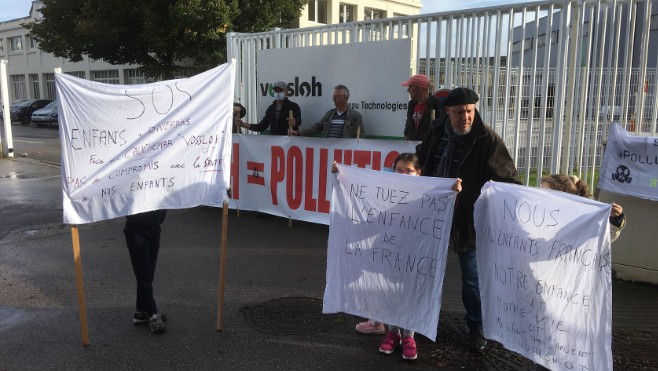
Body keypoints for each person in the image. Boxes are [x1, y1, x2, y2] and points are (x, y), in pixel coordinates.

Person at [415, 87, 520, 352]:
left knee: (472, 277)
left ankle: (477, 327)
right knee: (423, 270)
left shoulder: (487, 139)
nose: (466, 117)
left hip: (468, 221)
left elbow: (508, 180)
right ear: (448, 112)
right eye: (460, 112)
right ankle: (418, 320)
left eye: (470, 111)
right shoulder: (437, 131)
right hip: (434, 215)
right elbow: (423, 157)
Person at [332, 154, 462, 361]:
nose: (403, 174)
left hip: (415, 254)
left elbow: (443, 212)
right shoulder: (387, 190)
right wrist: (342, 176)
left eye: (408, 170)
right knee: (390, 292)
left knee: (409, 291)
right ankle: (393, 333)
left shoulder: (428, 193)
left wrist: (453, 192)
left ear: (418, 172)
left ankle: (409, 336)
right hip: (391, 251)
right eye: (399, 170)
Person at [540, 174, 626, 242]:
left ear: (563, 197)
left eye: (546, 193)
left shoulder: (580, 220)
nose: (540, 196)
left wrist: (616, 221)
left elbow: (603, 237)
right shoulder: (537, 214)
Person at [124, 209, 168, 333]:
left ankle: (141, 311)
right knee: (144, 274)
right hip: (137, 229)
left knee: (148, 273)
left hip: (154, 226)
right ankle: (152, 313)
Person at [288, 84, 364, 138]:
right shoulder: (329, 114)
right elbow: (316, 127)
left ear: (345, 98)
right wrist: (298, 133)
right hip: (330, 152)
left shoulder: (355, 116)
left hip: (345, 155)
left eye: (336, 96)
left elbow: (359, 138)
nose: (333, 98)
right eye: (333, 96)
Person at [236, 81, 301, 135]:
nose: (278, 93)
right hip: (274, 143)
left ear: (286, 92)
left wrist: (295, 122)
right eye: (276, 91)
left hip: (290, 141)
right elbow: (262, 126)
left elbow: (299, 121)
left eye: (281, 90)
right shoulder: (271, 109)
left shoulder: (293, 106)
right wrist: (244, 125)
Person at [401, 74, 444, 141]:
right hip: (411, 147)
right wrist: (406, 135)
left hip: (428, 148)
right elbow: (408, 122)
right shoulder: (411, 104)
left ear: (419, 89)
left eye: (410, 86)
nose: (408, 90)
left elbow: (441, 128)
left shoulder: (436, 104)